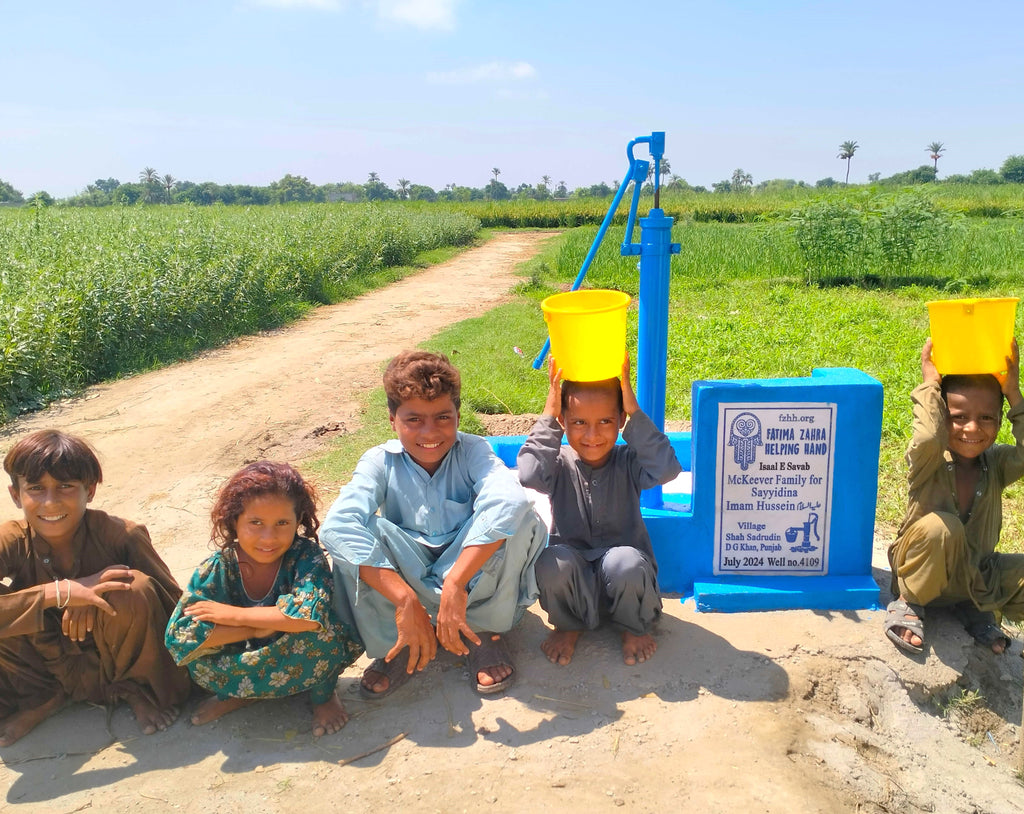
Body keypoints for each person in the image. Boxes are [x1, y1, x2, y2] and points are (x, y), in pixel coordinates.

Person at [320, 350, 547, 698]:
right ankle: (402, 641)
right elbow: (337, 526)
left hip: (469, 576)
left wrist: (456, 582)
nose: (430, 432)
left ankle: (482, 632)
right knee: (356, 537)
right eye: (414, 419)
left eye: (442, 417)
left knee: (523, 520)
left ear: (458, 415)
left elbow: (509, 501)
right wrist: (404, 599)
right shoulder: (379, 462)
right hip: (410, 575)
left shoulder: (473, 450)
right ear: (392, 420)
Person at [0, 429, 190, 746]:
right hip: (43, 667)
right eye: (35, 488)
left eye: (65, 486)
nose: (50, 501)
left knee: (133, 587)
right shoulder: (11, 540)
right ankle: (44, 698)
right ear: (16, 495)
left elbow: (173, 604)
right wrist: (61, 593)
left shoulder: (122, 535)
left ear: (89, 491)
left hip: (112, 660)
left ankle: (136, 690)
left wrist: (100, 594)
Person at [165, 461, 362, 736]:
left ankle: (323, 696)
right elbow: (179, 636)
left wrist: (236, 616)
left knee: (322, 632)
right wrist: (255, 629)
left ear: (298, 521)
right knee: (196, 653)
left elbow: (307, 618)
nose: (269, 538)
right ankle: (238, 694)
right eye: (255, 523)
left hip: (299, 653)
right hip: (246, 659)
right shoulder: (218, 567)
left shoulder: (306, 556)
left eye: (282, 523)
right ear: (234, 521)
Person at [517, 354, 682, 667]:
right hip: (573, 580)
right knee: (552, 561)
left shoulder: (629, 461)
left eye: (605, 421)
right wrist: (549, 414)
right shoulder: (557, 463)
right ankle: (568, 625)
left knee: (625, 562)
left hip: (626, 579)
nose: (592, 436)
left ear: (620, 420)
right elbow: (528, 473)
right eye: (579, 422)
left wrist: (634, 411)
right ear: (563, 422)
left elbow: (667, 469)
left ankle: (633, 626)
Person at [886, 338, 1024, 655]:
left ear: (1000, 420)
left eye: (986, 418)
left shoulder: (997, 463)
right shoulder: (928, 460)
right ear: (942, 416)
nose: (972, 428)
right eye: (959, 417)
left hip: (974, 580)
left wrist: (1013, 394)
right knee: (942, 528)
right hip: (919, 573)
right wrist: (930, 386)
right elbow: (927, 437)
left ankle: (973, 609)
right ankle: (909, 603)